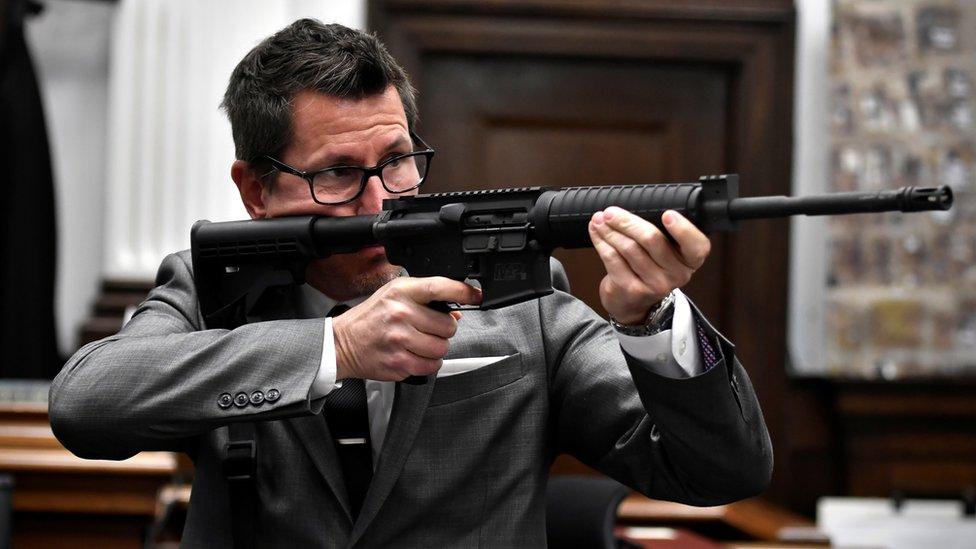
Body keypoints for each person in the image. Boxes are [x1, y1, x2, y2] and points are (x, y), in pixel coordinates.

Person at [50, 19, 772, 548]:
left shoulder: (523, 301)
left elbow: (720, 470)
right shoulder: (213, 291)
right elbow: (86, 404)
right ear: (255, 190)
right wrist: (333, 347)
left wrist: (650, 322)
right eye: (338, 173)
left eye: (397, 161)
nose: (381, 202)